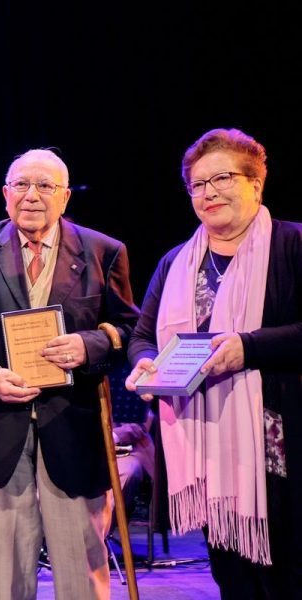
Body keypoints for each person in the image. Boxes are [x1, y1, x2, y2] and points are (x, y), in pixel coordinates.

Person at [0, 148, 139, 599]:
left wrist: (88, 345)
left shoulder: (104, 251)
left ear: (65, 196)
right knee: (3, 578)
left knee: (81, 576)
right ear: (6, 194)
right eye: (22, 185)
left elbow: (131, 329)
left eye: (45, 186)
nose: (32, 195)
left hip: (74, 429)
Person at [125, 128, 302, 599]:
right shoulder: (175, 263)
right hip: (207, 456)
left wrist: (250, 346)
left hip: (279, 449)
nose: (208, 192)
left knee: (289, 575)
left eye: (221, 178)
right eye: (197, 185)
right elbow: (144, 337)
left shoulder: (292, 245)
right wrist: (145, 365)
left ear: (256, 184)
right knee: (233, 579)